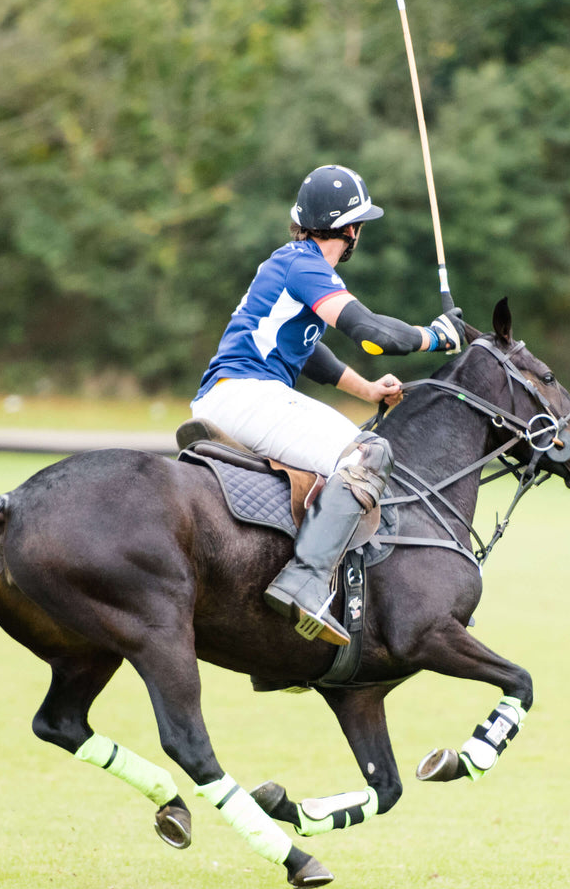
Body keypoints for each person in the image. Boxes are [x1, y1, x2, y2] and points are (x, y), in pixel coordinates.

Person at [191, 164, 464, 646]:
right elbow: (373, 334)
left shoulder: (289, 262)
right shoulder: (307, 267)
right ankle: (305, 582)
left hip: (227, 396)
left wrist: (368, 390)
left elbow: (309, 352)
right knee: (368, 454)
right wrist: (435, 336)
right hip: (248, 395)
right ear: (351, 229)